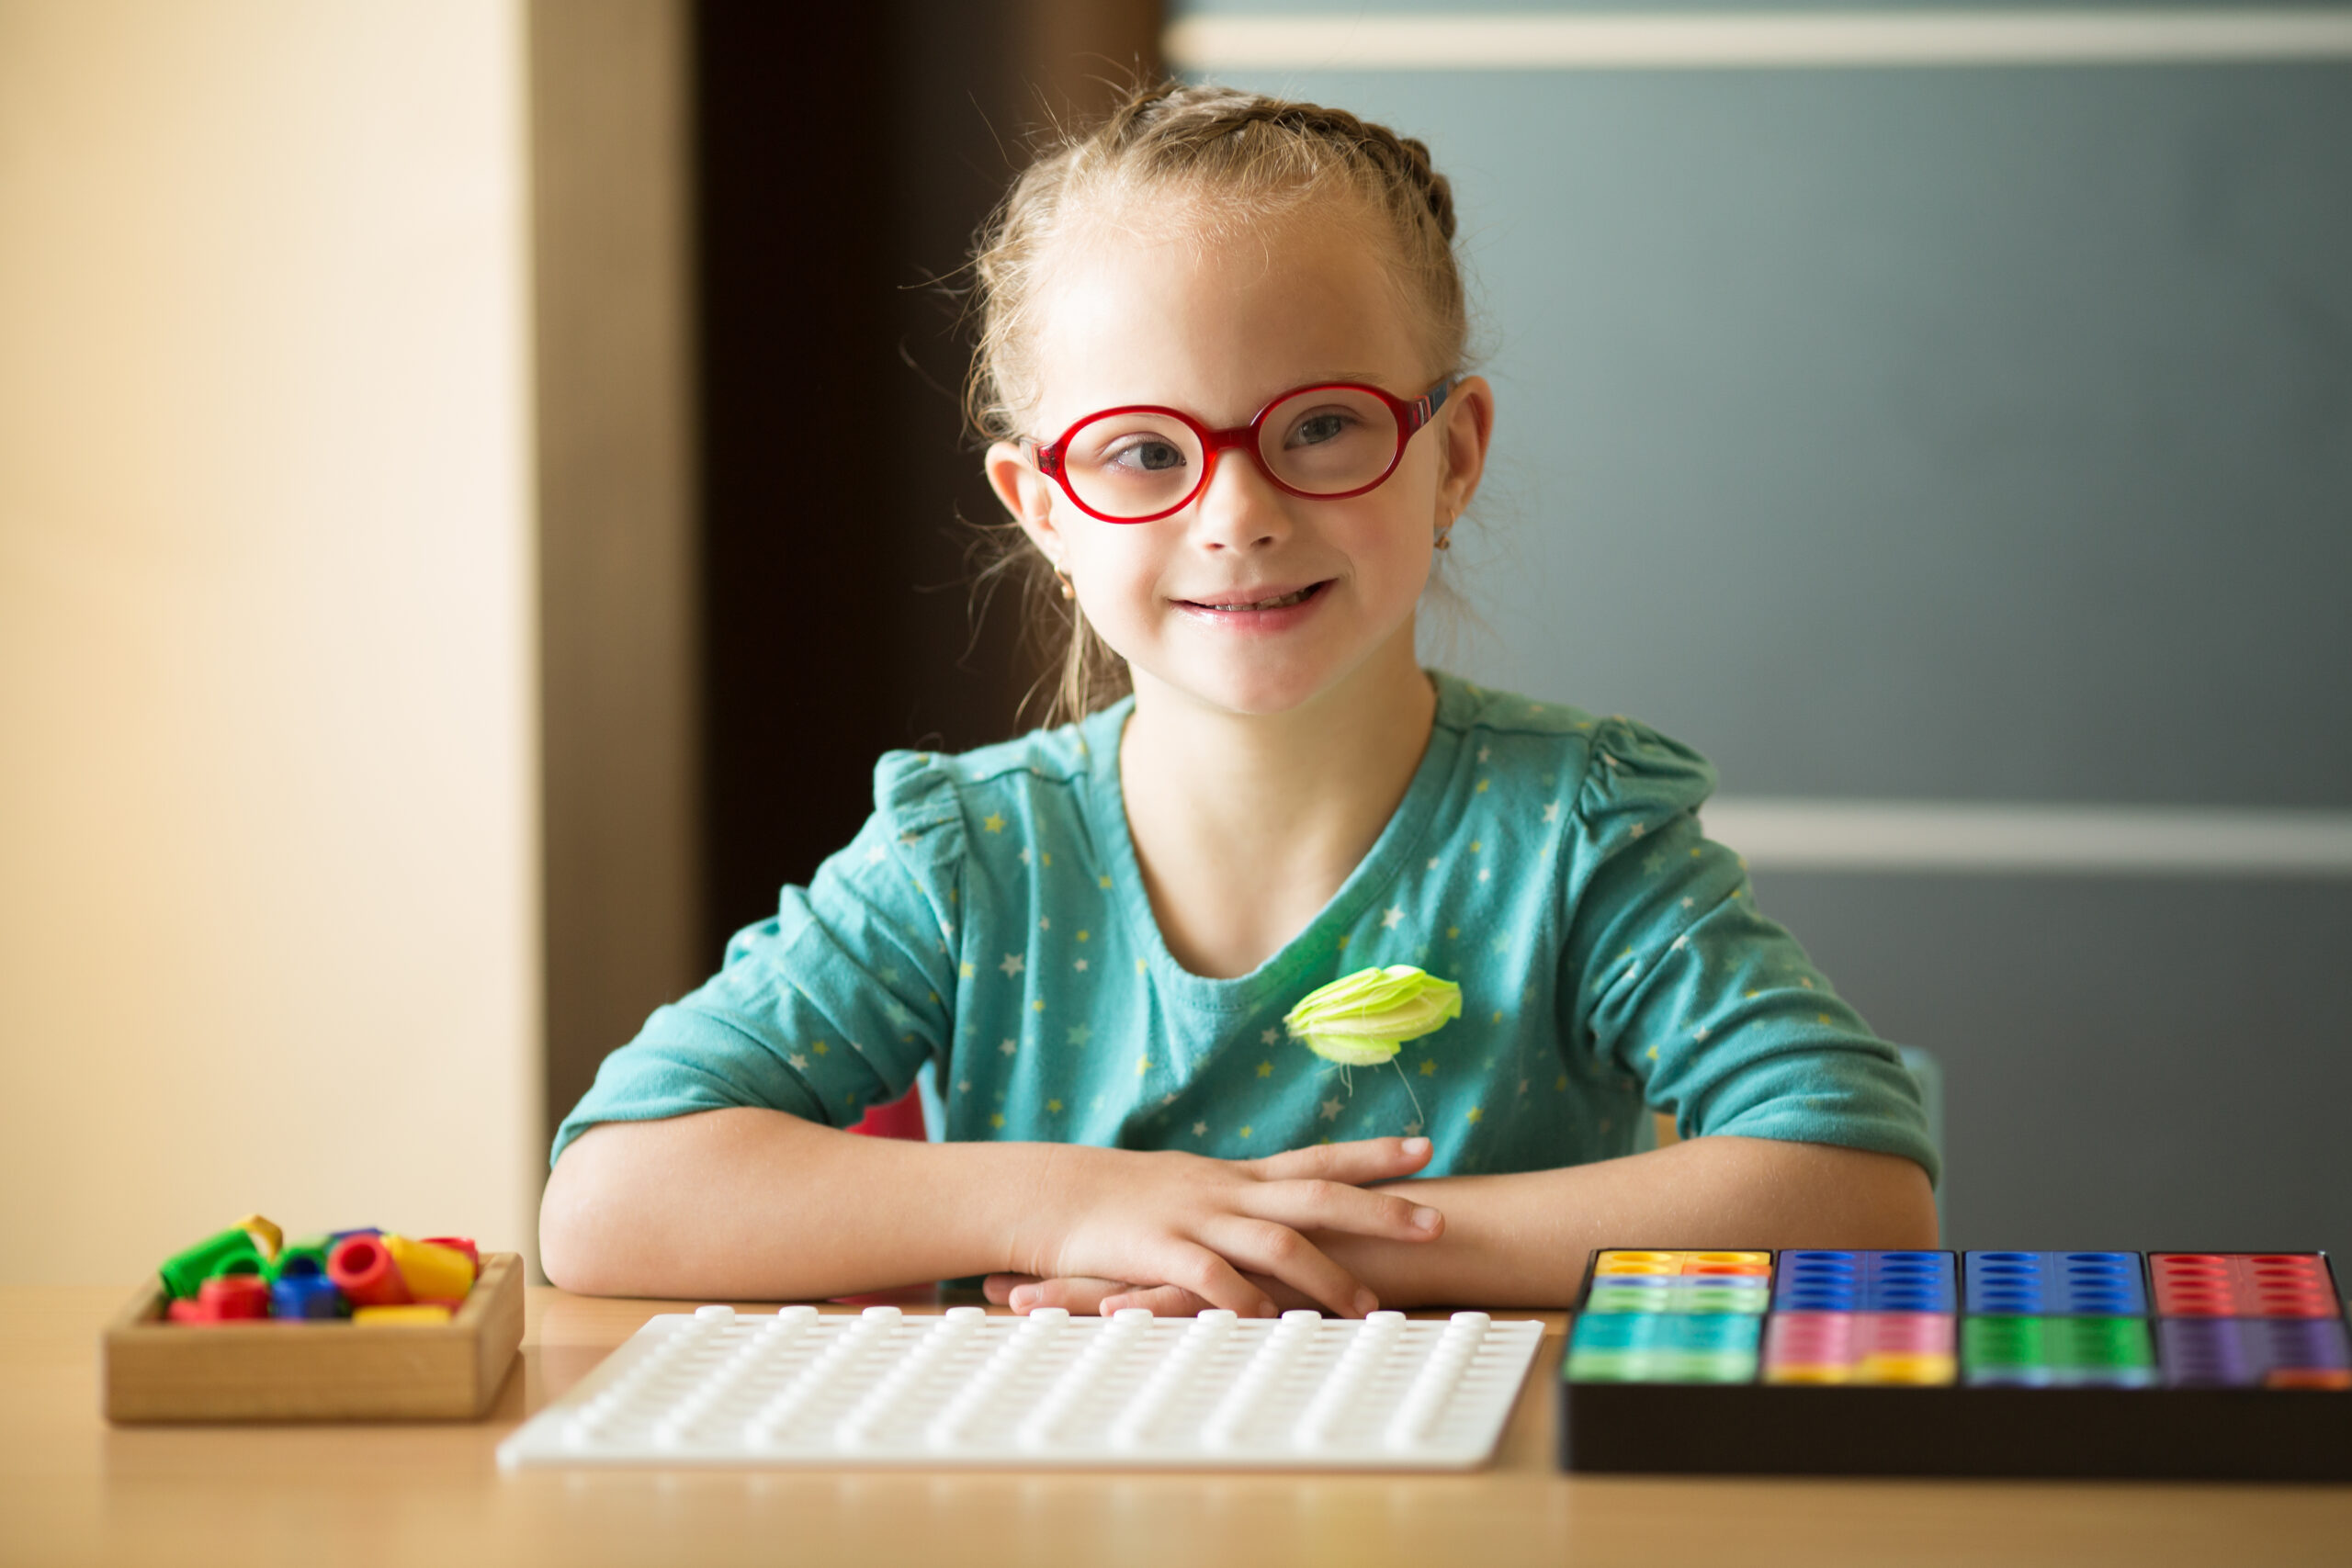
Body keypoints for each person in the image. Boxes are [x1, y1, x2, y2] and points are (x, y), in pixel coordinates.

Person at [538, 83, 1938, 1317]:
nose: (1238, 512)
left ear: (1451, 455)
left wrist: (1301, 1253)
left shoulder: (1573, 836)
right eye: (1144, 451)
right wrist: (1068, 1203)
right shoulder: (968, 860)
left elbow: (1861, 1195)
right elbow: (610, 1201)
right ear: (1043, 510)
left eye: (1320, 426)